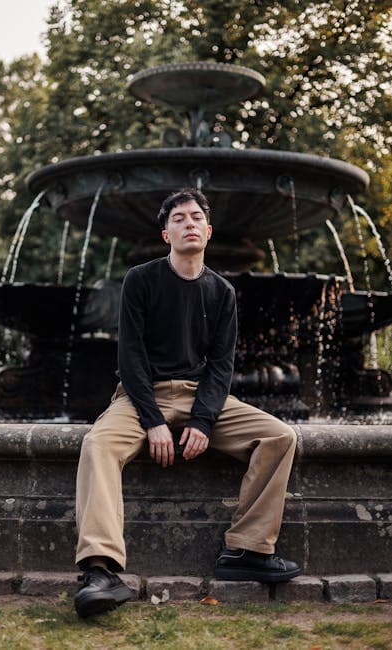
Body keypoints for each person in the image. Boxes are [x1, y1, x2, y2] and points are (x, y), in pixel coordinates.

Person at [74, 188, 300, 618]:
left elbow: (221, 365)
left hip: (202, 396)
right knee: (97, 445)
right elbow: (130, 357)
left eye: (196, 217)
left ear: (209, 231)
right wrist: (153, 420)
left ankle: (246, 550)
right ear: (166, 234)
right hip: (143, 396)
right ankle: (99, 569)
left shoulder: (222, 293)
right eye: (178, 218)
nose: (189, 223)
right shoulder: (141, 279)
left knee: (280, 436)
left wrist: (203, 420)